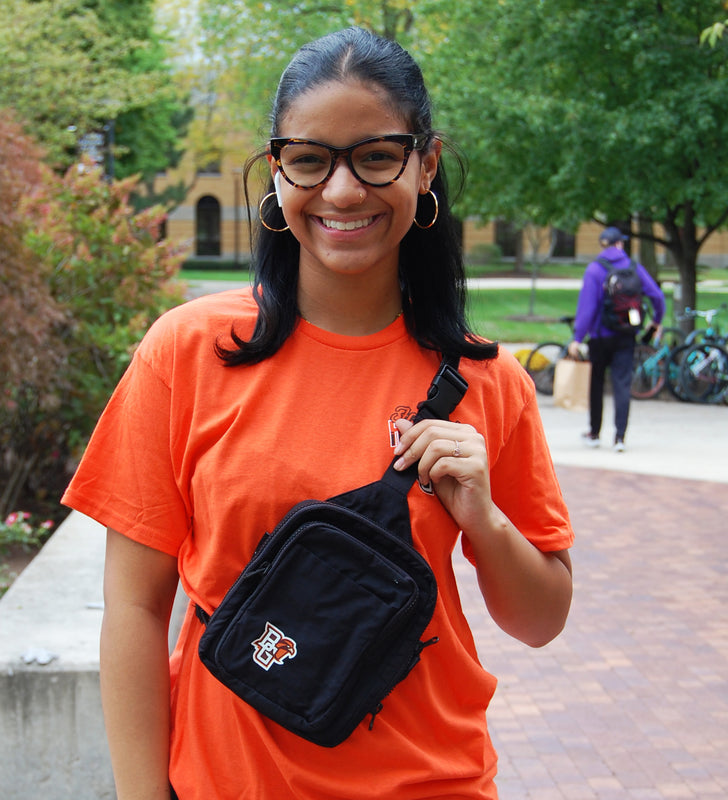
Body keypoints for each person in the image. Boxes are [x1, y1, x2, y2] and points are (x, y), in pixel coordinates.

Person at [62, 27, 574, 800]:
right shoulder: (189, 351)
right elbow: (135, 607)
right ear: (277, 170)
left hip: (432, 781)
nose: (341, 191)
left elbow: (541, 619)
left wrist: (485, 519)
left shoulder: (486, 380)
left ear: (425, 163)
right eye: (310, 160)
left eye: (376, 157)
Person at [568, 226, 666, 452]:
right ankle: (620, 438)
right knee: (622, 384)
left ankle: (594, 433)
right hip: (626, 336)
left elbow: (587, 307)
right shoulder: (634, 268)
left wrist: (578, 337)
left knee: (597, 384)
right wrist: (656, 320)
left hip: (600, 337)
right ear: (620, 244)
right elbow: (657, 297)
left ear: (603, 245)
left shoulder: (594, 270)